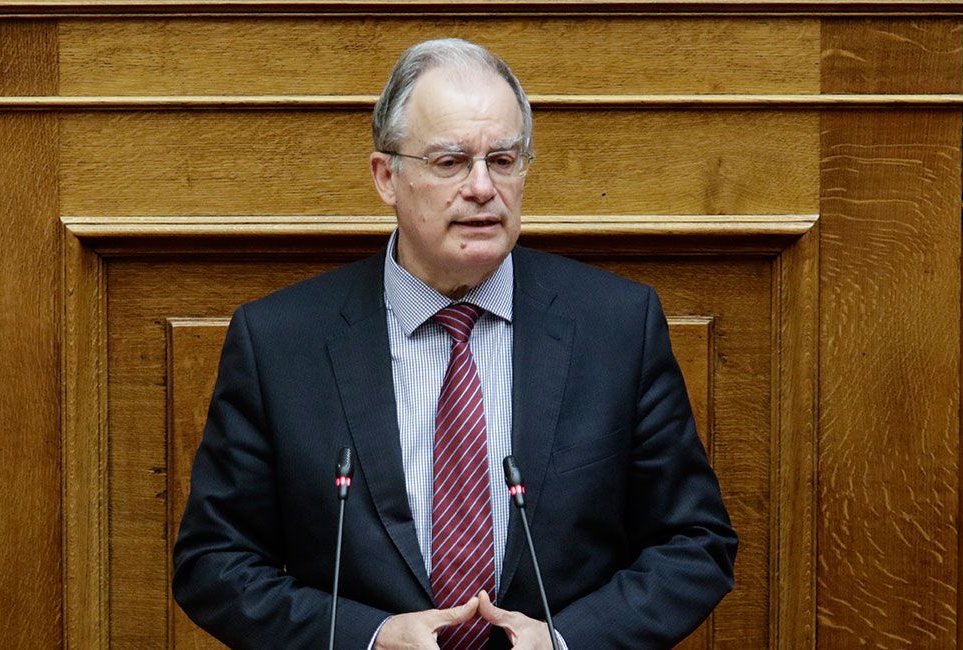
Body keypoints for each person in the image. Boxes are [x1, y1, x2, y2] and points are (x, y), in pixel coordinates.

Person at [172, 38, 737, 649]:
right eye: (450, 162)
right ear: (387, 176)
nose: (482, 187)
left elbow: (695, 544)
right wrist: (370, 638)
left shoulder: (617, 326)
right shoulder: (281, 342)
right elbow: (214, 562)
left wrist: (565, 641)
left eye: (503, 160)